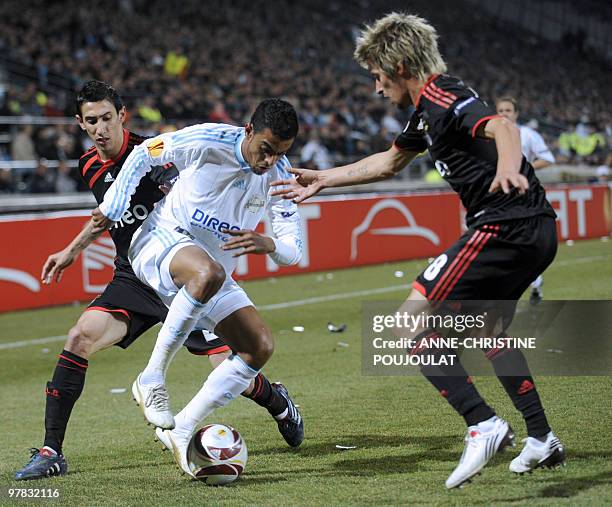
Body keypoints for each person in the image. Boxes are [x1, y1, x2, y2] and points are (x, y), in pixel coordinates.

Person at [272, 13, 565, 489]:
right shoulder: (424, 111)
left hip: (504, 227)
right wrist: (324, 178)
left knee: (409, 323)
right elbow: (388, 162)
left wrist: (509, 168)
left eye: (377, 76)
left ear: (401, 65)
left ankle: (483, 424)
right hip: (533, 230)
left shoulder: (444, 96)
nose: (375, 87)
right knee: (490, 330)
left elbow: (504, 130)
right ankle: (541, 437)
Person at [14, 82, 302, 481]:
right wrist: (72, 250)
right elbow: (104, 216)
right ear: (80, 123)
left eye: (107, 119)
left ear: (122, 116)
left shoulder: (162, 153)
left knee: (243, 355)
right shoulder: (88, 165)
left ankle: (278, 404)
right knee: (80, 336)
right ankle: (51, 450)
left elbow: (177, 180)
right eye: (92, 121)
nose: (101, 129)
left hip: (191, 263)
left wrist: (265, 239)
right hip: (140, 273)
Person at [91, 97, 303, 476]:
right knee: (207, 273)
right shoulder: (210, 139)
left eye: (281, 154)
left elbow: (293, 250)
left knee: (259, 347)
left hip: (209, 273)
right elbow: (145, 153)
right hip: (160, 241)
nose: (270, 161)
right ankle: (151, 377)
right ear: (249, 131)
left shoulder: (279, 176)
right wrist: (114, 202)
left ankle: (183, 427)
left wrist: (268, 244)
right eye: (266, 149)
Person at [496, 96, 556, 304]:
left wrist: (523, 169)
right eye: (500, 110)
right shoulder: (489, 136)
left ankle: (532, 281)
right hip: (497, 196)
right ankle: (528, 283)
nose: (504, 114)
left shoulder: (528, 135)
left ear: (516, 114)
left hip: (523, 195)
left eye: (508, 110)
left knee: (521, 242)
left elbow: (548, 158)